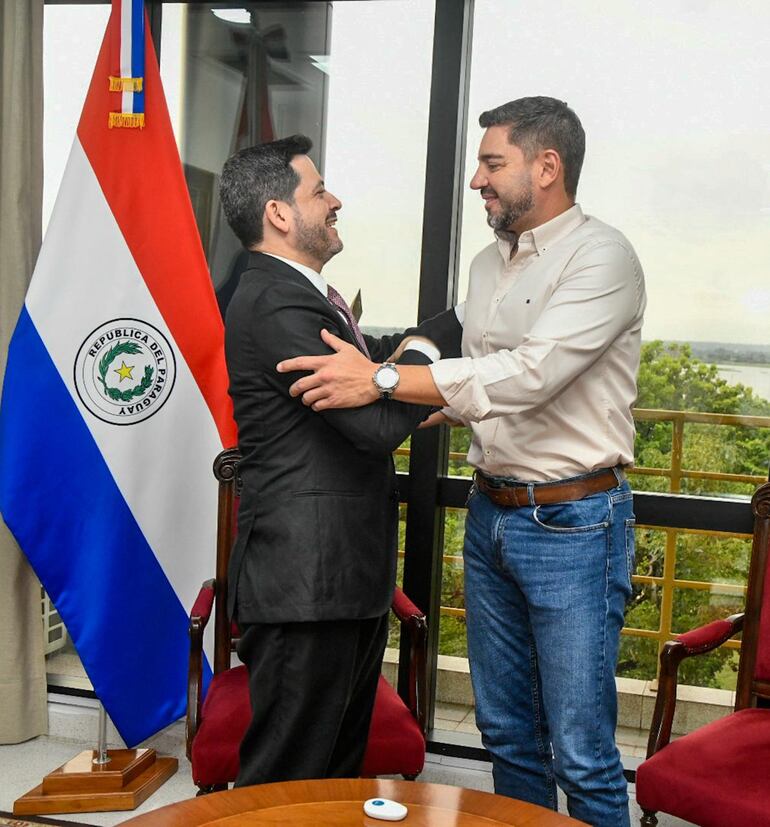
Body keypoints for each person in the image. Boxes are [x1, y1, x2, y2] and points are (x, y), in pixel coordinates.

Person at [277, 97, 647, 827]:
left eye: (491, 163)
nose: (477, 180)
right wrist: (386, 406)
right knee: (506, 735)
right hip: (491, 516)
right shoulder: (486, 266)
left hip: (574, 524)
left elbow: (528, 376)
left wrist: (381, 379)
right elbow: (475, 380)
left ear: (547, 167)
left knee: (581, 752)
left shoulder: (602, 257)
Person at [218, 134, 461, 787]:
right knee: (285, 787)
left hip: (339, 582)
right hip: (306, 585)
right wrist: (428, 353)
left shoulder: (307, 297)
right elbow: (375, 422)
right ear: (278, 213)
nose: (336, 201)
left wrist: (448, 329)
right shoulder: (275, 300)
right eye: (319, 190)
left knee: (333, 783)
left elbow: (375, 371)